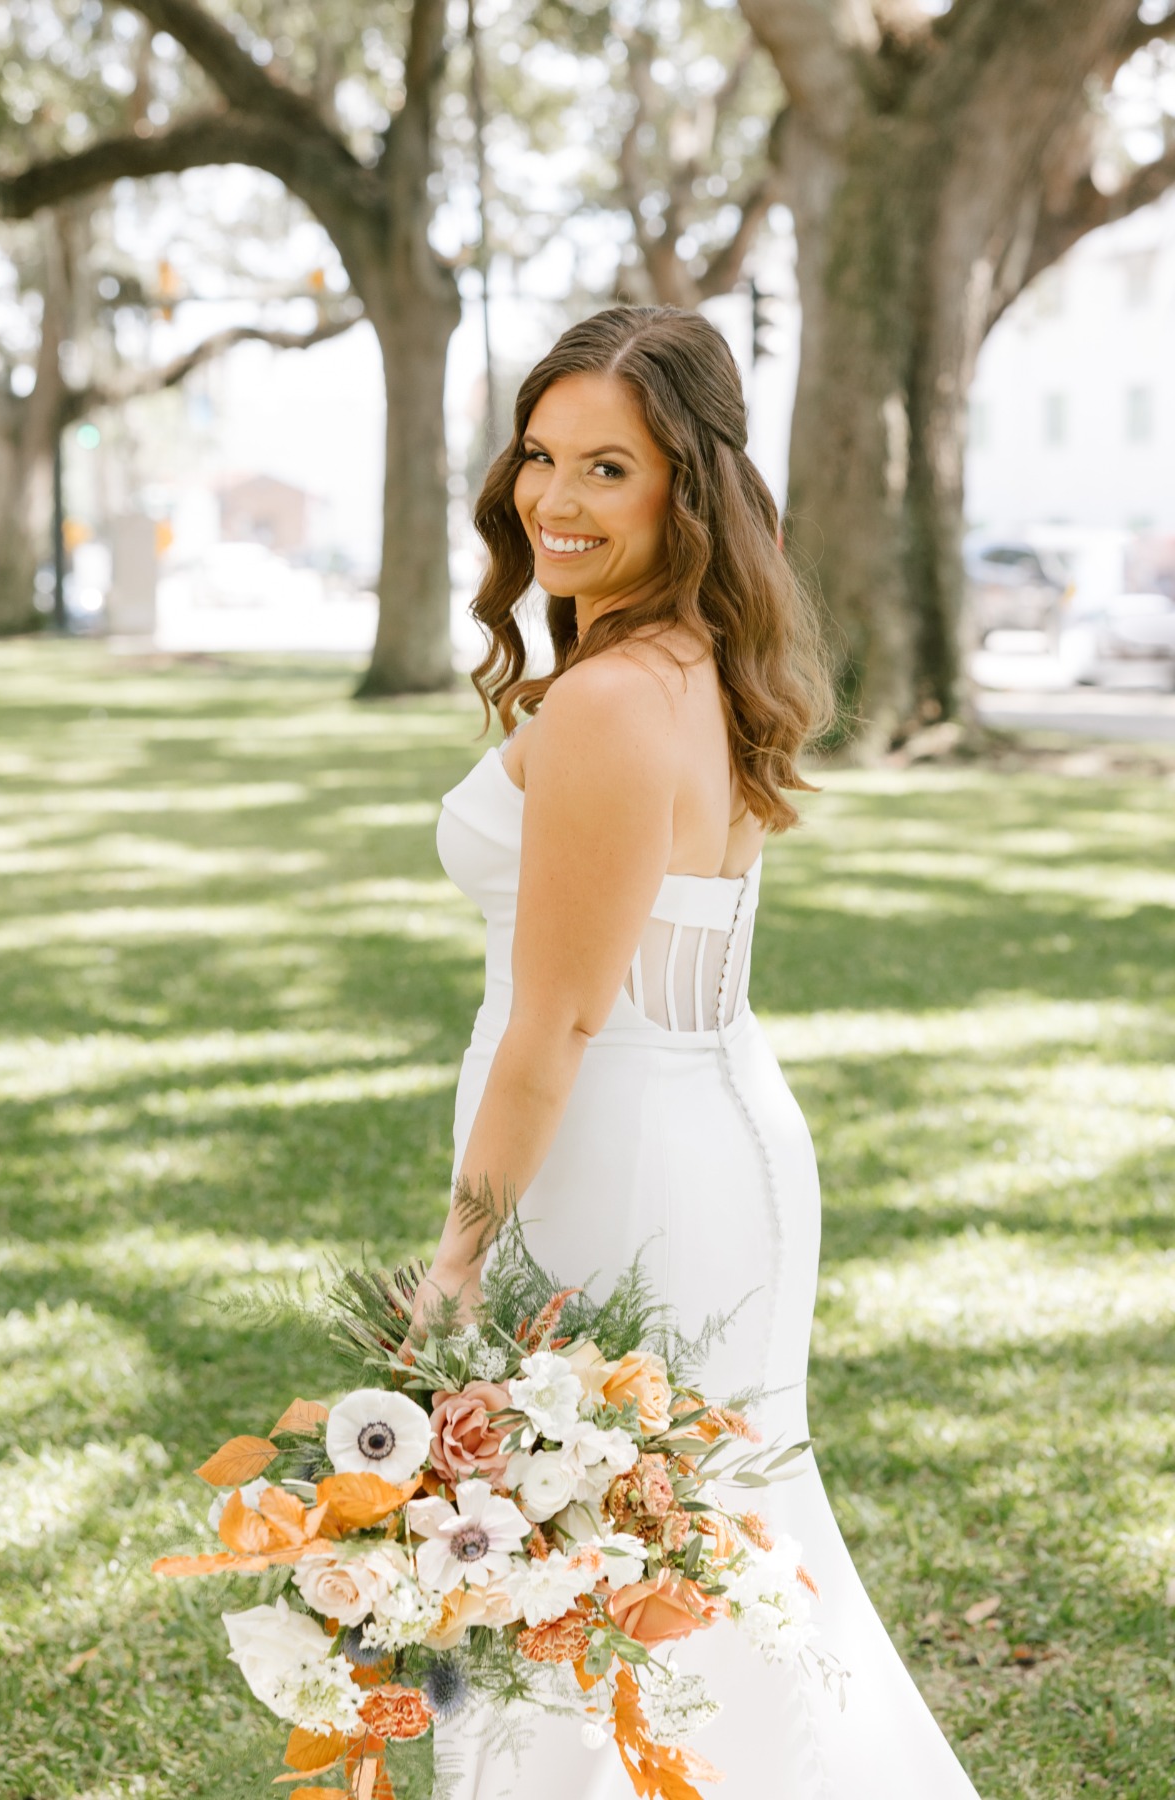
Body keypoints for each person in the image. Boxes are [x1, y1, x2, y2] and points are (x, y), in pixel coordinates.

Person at [418, 305, 980, 1797]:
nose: (554, 499)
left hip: (620, 1151)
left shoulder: (609, 699)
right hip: (709, 1125)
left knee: (604, 1563)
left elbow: (555, 1027)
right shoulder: (694, 658)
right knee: (700, 1557)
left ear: (690, 486)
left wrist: (456, 1259)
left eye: (610, 468)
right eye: (541, 457)